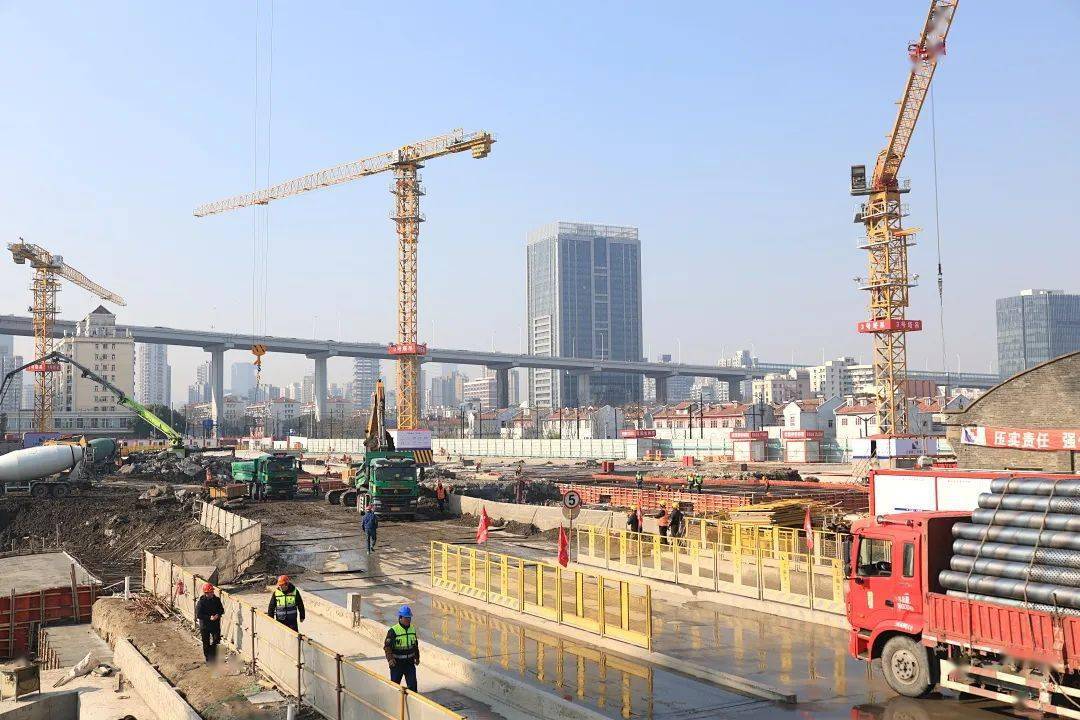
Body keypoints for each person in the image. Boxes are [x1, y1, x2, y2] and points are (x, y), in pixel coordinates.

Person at [384, 605, 420, 691]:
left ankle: (411, 703)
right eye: (406, 618)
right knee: (395, 687)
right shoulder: (393, 631)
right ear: (400, 618)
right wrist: (390, 659)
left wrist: (417, 657)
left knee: (413, 687)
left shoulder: (412, 629)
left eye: (409, 617)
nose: (409, 620)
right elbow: (387, 647)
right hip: (397, 664)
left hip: (409, 664)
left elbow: (415, 645)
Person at [195, 583, 224, 663]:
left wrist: (218, 615)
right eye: (209, 592)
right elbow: (199, 614)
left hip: (215, 624)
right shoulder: (201, 602)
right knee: (206, 642)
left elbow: (221, 610)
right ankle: (208, 659)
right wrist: (209, 617)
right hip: (205, 625)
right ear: (205, 593)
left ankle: (213, 656)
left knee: (216, 640)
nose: (211, 593)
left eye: (212, 592)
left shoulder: (216, 600)